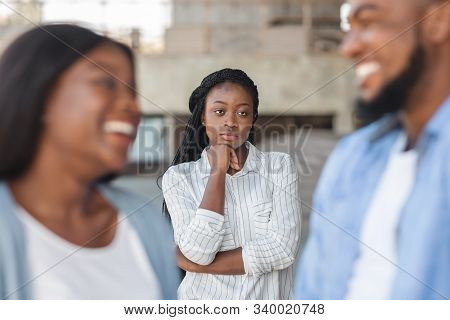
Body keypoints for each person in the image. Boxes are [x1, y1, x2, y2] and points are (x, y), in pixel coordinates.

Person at [0, 24, 178, 299]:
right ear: (41, 95)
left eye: (132, 91)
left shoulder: (144, 222)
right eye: (106, 83)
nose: (133, 106)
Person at [295, 0, 449, 299]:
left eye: (367, 23)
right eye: (348, 28)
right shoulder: (351, 159)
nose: (348, 48)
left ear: (438, 22)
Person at [162, 68, 301, 299]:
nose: (230, 122)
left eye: (243, 113)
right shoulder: (178, 178)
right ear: (203, 117)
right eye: (219, 111)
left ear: (253, 118)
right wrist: (217, 172)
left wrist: (199, 267)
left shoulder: (279, 167)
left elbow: (283, 250)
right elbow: (198, 252)